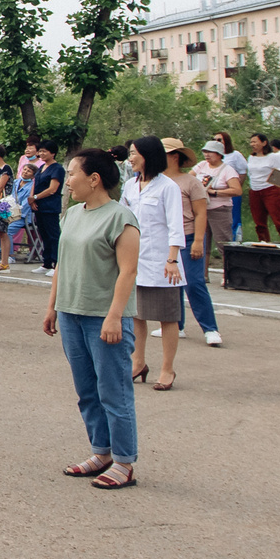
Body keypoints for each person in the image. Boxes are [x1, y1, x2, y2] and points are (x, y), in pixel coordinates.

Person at [42, 146, 142, 488]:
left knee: (114, 390)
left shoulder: (121, 218)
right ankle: (101, 452)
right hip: (71, 313)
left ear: (94, 179)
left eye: (72, 174)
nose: (67, 180)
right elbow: (62, 264)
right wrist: (53, 306)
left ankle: (125, 461)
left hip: (104, 317)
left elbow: (128, 272)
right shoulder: (71, 214)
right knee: (86, 389)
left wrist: (115, 317)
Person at [121, 136, 187, 389]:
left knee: (167, 317)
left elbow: (175, 225)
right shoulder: (130, 186)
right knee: (136, 315)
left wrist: (172, 259)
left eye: (135, 152)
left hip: (162, 261)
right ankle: (138, 362)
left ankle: (168, 369)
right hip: (134, 259)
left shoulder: (167, 186)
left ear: (149, 155)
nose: (131, 157)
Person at [163, 139, 220, 349]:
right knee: (170, 283)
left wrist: (198, 240)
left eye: (165, 154)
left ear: (175, 156)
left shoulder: (191, 182)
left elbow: (200, 212)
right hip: (166, 239)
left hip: (188, 236)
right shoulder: (156, 181)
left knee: (194, 282)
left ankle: (210, 328)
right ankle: (176, 324)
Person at [245, 134, 280, 243]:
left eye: (255, 142)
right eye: (251, 142)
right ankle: (264, 243)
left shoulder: (273, 157)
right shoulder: (251, 157)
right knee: (259, 222)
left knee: (279, 220)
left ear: (264, 143)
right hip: (255, 190)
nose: (252, 144)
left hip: (271, 190)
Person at [29, 149, 64, 275]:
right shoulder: (42, 167)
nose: (42, 154)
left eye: (45, 151)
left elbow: (52, 189)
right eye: (41, 151)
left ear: (53, 153)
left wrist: (36, 197)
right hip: (39, 206)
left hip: (50, 206)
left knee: (53, 235)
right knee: (43, 235)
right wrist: (32, 198)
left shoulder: (57, 168)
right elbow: (34, 183)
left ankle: (56, 264)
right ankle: (46, 262)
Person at [211, 133, 247, 242]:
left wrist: (236, 186)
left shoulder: (235, 155)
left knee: (233, 216)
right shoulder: (213, 156)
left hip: (230, 191)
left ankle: (236, 239)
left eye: (219, 139)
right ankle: (223, 240)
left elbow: (243, 171)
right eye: (214, 139)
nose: (217, 141)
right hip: (216, 193)